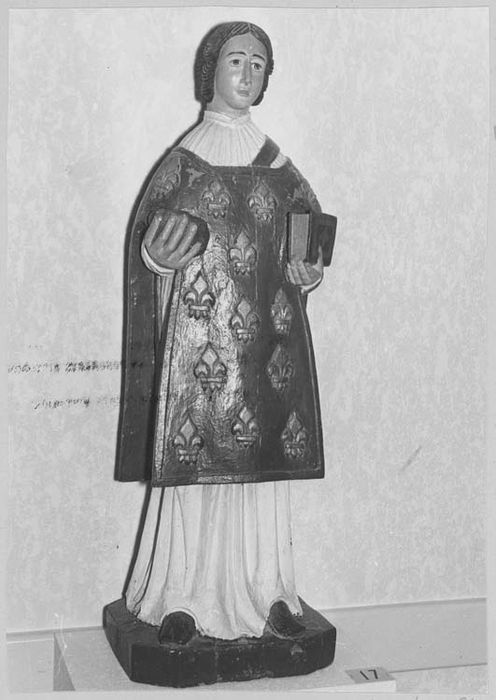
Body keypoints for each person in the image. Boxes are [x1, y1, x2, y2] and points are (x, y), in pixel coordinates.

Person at [115, 21, 326, 645]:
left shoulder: (278, 164)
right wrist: (155, 258)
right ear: (211, 69)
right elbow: (147, 249)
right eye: (237, 60)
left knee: (260, 475)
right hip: (196, 349)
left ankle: (269, 593)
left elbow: (309, 235)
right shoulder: (183, 162)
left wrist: (308, 270)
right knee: (192, 467)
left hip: (263, 350)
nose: (247, 73)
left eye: (259, 64)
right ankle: (180, 598)